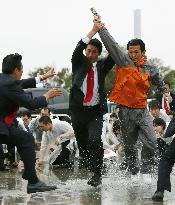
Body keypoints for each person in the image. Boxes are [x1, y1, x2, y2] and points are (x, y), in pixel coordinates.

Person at [93, 15, 165, 174]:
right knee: (130, 146)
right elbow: (112, 45)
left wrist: (165, 92)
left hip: (142, 110)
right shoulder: (124, 61)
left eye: (136, 52)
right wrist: (101, 29)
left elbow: (159, 82)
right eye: (130, 52)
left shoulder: (150, 67)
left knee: (152, 142)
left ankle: (146, 172)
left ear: (143, 52)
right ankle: (133, 173)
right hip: (125, 111)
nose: (133, 55)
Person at [0, 53, 62, 193]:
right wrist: (46, 96)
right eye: (21, 69)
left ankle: (31, 177)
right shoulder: (9, 84)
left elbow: (21, 83)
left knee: (24, 138)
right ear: (16, 70)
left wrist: (42, 77)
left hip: (5, 124)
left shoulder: (4, 80)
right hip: (2, 126)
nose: (22, 71)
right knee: (27, 138)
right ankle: (32, 180)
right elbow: (31, 104)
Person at [69, 21, 115, 187]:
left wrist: (103, 31)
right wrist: (93, 30)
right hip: (78, 112)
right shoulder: (78, 62)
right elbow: (77, 47)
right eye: (88, 50)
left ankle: (97, 174)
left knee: (95, 140)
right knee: (83, 145)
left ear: (98, 54)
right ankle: (90, 166)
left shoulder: (103, 66)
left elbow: (114, 51)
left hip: (95, 112)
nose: (89, 54)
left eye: (93, 52)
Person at [152, 117, 175, 201]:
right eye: (153, 126)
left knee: (165, 161)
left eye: (156, 126)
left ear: (162, 126)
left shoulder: (169, 129)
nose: (154, 128)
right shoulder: (157, 135)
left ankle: (160, 191)